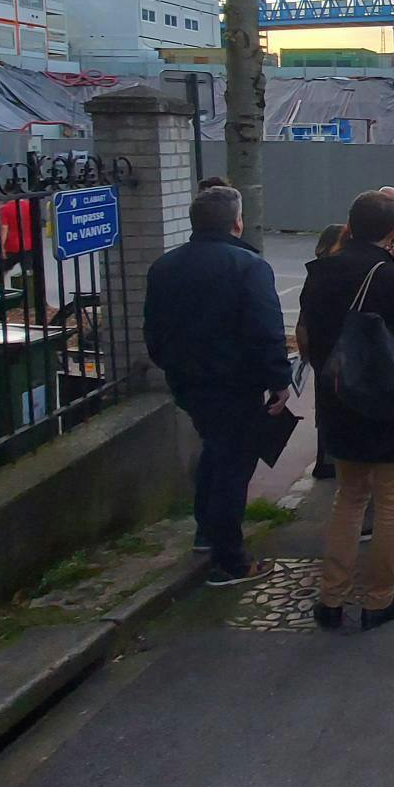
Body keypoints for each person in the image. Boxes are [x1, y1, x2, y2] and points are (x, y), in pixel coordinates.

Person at [297, 191, 394, 630]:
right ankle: (379, 599)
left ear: (348, 225)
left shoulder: (319, 274)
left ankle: (331, 597)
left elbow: (312, 335)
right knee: (392, 504)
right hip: (390, 407)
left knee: (348, 501)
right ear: (393, 232)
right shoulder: (389, 278)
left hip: (340, 401)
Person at [143, 185, 291, 587]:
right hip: (234, 384)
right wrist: (279, 378)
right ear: (236, 222)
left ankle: (206, 532)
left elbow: (152, 332)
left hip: (188, 383)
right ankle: (230, 560)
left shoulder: (165, 266)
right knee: (232, 466)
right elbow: (265, 328)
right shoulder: (247, 266)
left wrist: (175, 366)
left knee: (216, 452)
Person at [305, 223, 348, 481]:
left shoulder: (317, 273)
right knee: (333, 406)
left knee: (326, 406)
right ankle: (329, 459)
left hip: (323, 351)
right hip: (333, 352)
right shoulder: (328, 274)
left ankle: (327, 460)